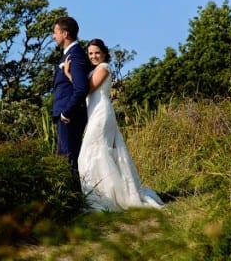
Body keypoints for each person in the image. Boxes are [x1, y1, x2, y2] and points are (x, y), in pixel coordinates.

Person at [65, 38, 165, 212]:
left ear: (104, 53)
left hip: (102, 114)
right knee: (96, 154)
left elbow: (88, 89)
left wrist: (69, 75)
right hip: (95, 113)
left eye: (97, 53)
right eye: (90, 53)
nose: (94, 56)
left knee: (91, 154)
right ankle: (103, 196)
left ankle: (106, 199)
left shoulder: (104, 68)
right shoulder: (95, 69)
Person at [51, 16, 92, 180]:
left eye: (55, 32)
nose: (54, 36)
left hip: (70, 116)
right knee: (64, 157)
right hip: (65, 115)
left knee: (69, 159)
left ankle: (73, 200)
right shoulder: (69, 55)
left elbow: (81, 88)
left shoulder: (75, 56)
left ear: (65, 33)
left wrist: (66, 113)